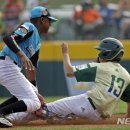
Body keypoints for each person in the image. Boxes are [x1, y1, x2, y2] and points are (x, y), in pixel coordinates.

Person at [5, 37, 130, 124]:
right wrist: (126, 118)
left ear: (106, 54)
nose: (99, 54)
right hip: (99, 117)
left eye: (101, 51)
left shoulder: (101, 67)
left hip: (87, 103)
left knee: (41, 109)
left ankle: (9, 118)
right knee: (62, 117)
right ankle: (65, 118)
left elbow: (69, 72)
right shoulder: (126, 75)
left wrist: (65, 53)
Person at [0, 6, 57, 127]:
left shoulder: (38, 42)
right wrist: (21, 55)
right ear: (42, 20)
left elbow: (31, 67)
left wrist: (34, 89)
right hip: (6, 65)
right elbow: (8, 38)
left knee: (25, 96)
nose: (50, 24)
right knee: (35, 103)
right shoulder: (29, 27)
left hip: (9, 67)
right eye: (49, 21)